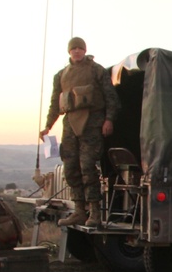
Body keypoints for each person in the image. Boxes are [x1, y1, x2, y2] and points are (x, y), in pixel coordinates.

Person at [39, 37, 120, 228]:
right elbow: (54, 103)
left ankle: (95, 213)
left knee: (87, 167)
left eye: (80, 48)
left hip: (92, 122)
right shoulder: (61, 75)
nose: (76, 51)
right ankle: (79, 211)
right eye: (73, 48)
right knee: (70, 168)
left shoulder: (96, 70)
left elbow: (111, 98)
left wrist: (109, 120)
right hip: (70, 124)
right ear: (69, 51)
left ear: (84, 50)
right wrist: (48, 126)